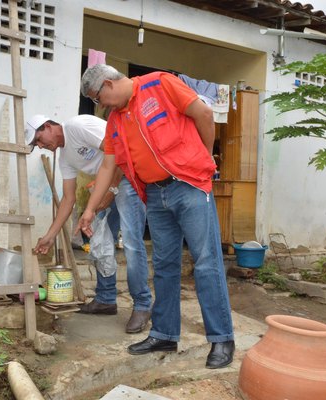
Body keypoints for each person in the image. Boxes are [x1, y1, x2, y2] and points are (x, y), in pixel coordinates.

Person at [76, 64, 235, 369]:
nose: (102, 105)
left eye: (99, 98)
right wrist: (89, 209)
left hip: (189, 187)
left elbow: (203, 115)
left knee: (205, 261)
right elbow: (109, 167)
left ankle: (221, 338)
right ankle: (164, 333)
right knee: (163, 266)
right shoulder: (115, 121)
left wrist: (200, 165)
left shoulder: (160, 84)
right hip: (155, 195)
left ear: (109, 84)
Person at [26, 114, 153, 333]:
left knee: (131, 244)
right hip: (107, 184)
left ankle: (142, 305)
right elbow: (68, 199)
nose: (40, 146)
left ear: (47, 126)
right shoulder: (65, 157)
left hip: (128, 177)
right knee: (100, 242)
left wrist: (110, 192)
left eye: (38, 140)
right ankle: (106, 299)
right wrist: (50, 235)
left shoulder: (78, 126)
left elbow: (121, 151)